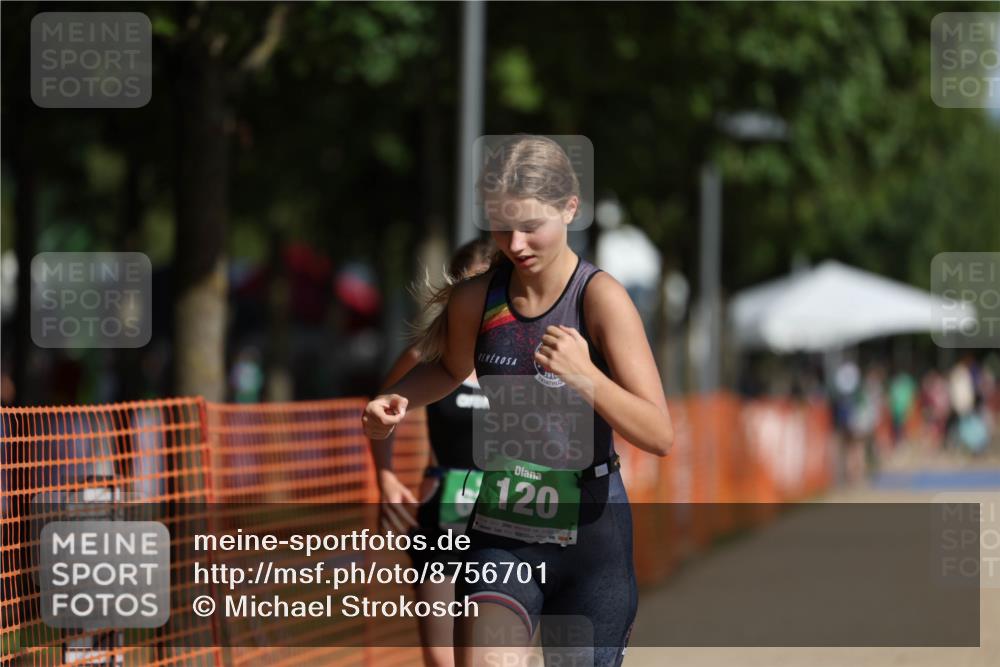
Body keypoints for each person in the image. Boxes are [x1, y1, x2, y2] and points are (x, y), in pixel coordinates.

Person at [364, 135, 673, 666]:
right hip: (503, 528)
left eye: (531, 225)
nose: (515, 242)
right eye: (501, 226)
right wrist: (395, 400)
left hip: (592, 536)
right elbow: (448, 370)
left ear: (570, 207)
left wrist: (587, 378)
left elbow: (658, 433)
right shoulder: (476, 299)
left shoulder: (600, 298)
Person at [370, 238, 494, 667]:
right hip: (448, 500)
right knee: (442, 656)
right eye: (473, 285)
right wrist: (385, 477)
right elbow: (381, 407)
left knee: (494, 652)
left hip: (508, 502)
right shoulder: (429, 354)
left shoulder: (520, 357)